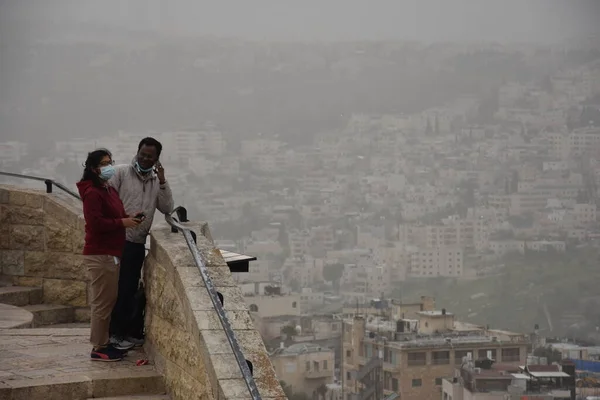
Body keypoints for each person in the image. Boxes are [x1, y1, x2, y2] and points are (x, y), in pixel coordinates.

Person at [76, 148, 142, 361]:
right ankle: (99, 347)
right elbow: (95, 223)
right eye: (104, 163)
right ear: (94, 169)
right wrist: (122, 222)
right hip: (100, 253)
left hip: (112, 252)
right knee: (102, 302)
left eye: (110, 161)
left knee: (109, 299)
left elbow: (116, 214)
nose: (109, 166)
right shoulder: (93, 193)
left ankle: (103, 342)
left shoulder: (108, 190)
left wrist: (130, 217)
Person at [108, 137, 174, 349]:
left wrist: (163, 181)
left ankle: (124, 332)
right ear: (137, 152)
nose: (145, 159)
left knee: (129, 289)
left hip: (137, 242)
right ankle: (114, 334)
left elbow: (166, 207)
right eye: (142, 154)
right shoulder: (120, 173)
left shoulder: (155, 181)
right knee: (117, 289)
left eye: (150, 157)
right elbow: (105, 198)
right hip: (117, 238)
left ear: (156, 160)